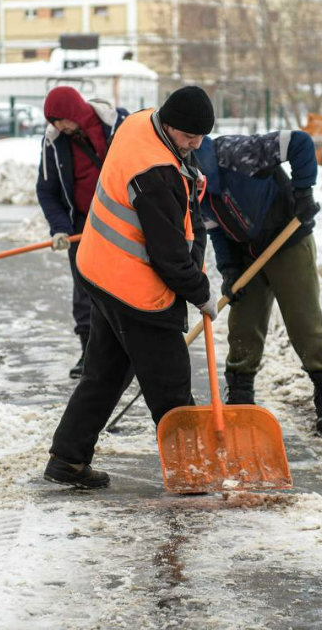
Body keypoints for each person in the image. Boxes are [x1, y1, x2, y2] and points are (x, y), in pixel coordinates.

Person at [43, 86, 218, 489]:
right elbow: (169, 257)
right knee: (171, 386)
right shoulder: (155, 174)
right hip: (136, 291)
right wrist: (201, 291)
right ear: (170, 125)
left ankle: (67, 459)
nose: (196, 145)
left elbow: (181, 214)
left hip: (100, 272)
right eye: (189, 137)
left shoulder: (139, 122)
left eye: (201, 137)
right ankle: (190, 473)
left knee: (104, 372)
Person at [193, 130, 322, 435]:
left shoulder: (236, 153)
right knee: (243, 324)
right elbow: (217, 230)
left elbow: (300, 142)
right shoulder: (191, 189)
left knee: (303, 321)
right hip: (247, 253)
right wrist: (230, 269)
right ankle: (240, 396)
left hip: (287, 240)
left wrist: (303, 192)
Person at [36, 86, 128, 379]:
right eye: (53, 122)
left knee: (125, 286)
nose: (57, 126)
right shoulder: (54, 142)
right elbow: (47, 190)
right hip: (83, 227)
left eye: (60, 119)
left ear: (74, 111)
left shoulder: (119, 126)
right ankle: (90, 353)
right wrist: (60, 227)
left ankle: (130, 351)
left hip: (123, 223)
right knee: (85, 289)